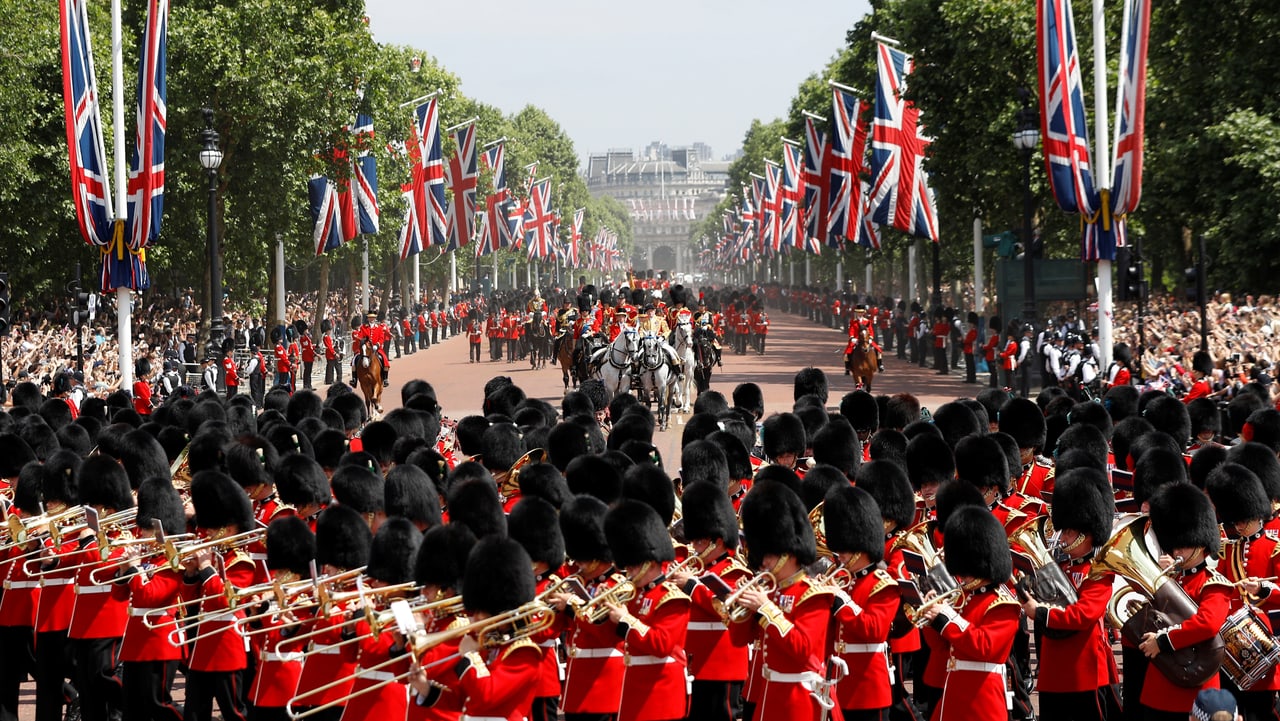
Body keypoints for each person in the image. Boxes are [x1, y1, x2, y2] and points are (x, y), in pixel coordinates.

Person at [727, 481, 833, 721]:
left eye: (770, 554)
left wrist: (765, 608)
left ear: (789, 551)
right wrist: (744, 608)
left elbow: (802, 648)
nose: (763, 562)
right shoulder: (770, 591)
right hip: (768, 695)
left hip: (800, 701)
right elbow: (738, 639)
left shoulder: (813, 594)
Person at [1020, 471, 1118, 721]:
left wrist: (1039, 612)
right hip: (1053, 670)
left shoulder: (1098, 572)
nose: (1062, 538)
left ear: (1088, 533)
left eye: (1069, 533)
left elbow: (1083, 615)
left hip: (1083, 672)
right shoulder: (1060, 568)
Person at [1139, 482, 1232, 721]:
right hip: (1160, 681)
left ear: (1201, 545)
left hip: (1195, 681)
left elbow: (1208, 624)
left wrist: (1164, 640)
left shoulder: (1214, 583)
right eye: (1175, 544)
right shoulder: (1169, 579)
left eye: (1184, 545)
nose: (1177, 551)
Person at [920, 506, 1019, 721]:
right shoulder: (964, 598)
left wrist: (947, 617)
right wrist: (931, 620)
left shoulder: (1003, 605)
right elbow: (940, 647)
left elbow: (985, 647)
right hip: (953, 691)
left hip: (981, 698)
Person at [824, 485, 901, 721]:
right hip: (837, 682)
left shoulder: (883, 584)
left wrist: (839, 600)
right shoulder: (842, 580)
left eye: (845, 549)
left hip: (867, 686)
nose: (840, 555)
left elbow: (874, 631)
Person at [322, 320, 342, 385]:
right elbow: (329, 347)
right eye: (329, 330)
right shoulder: (326, 337)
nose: (330, 331)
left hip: (331, 354)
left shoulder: (328, 337)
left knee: (331, 368)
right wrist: (334, 353)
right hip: (330, 355)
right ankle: (329, 380)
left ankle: (330, 380)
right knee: (330, 368)